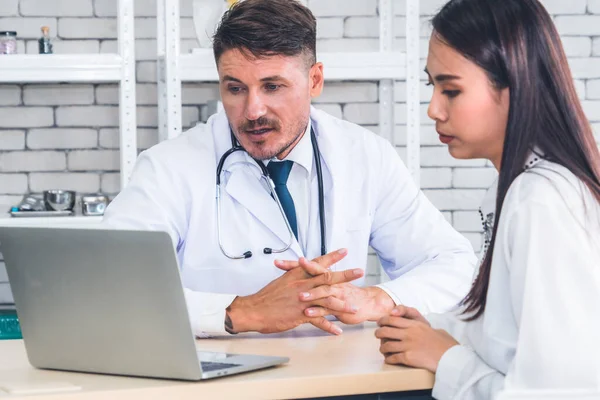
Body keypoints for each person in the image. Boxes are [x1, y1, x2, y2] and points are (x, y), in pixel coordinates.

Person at [103, 0, 476, 337]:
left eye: (273, 86)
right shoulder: (168, 168)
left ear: (314, 80)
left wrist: (380, 299)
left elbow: (452, 263)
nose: (253, 111)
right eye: (235, 89)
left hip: (339, 381)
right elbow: (109, 286)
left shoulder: (364, 156)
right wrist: (241, 312)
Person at [375, 0, 600, 398]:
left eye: (452, 90)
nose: (433, 109)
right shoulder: (520, 189)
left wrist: (445, 358)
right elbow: (506, 336)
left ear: (515, 85)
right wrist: (430, 328)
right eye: (433, 87)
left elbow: (557, 392)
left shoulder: (540, 201)